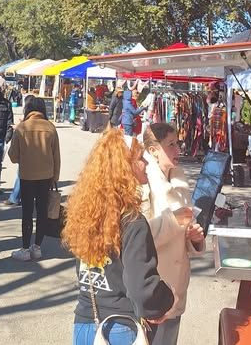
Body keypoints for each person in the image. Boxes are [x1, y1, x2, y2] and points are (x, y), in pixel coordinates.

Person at [62, 128, 175, 344]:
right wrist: (167, 298)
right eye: (141, 157)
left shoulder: (87, 213)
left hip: (85, 324)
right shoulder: (133, 222)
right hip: (120, 329)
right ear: (125, 167)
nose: (147, 163)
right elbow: (141, 288)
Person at [141, 123, 205, 345]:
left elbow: (186, 227)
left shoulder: (179, 179)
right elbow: (140, 239)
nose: (178, 150)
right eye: (171, 145)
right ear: (153, 150)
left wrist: (195, 240)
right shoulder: (144, 184)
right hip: (153, 289)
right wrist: (177, 220)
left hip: (176, 290)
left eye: (177, 143)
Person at [8, 97, 60, 261]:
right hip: (46, 176)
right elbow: (56, 156)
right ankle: (37, 247)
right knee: (42, 211)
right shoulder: (50, 128)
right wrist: (55, 177)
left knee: (27, 212)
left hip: (27, 176)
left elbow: (13, 156)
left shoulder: (22, 128)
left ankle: (24, 248)